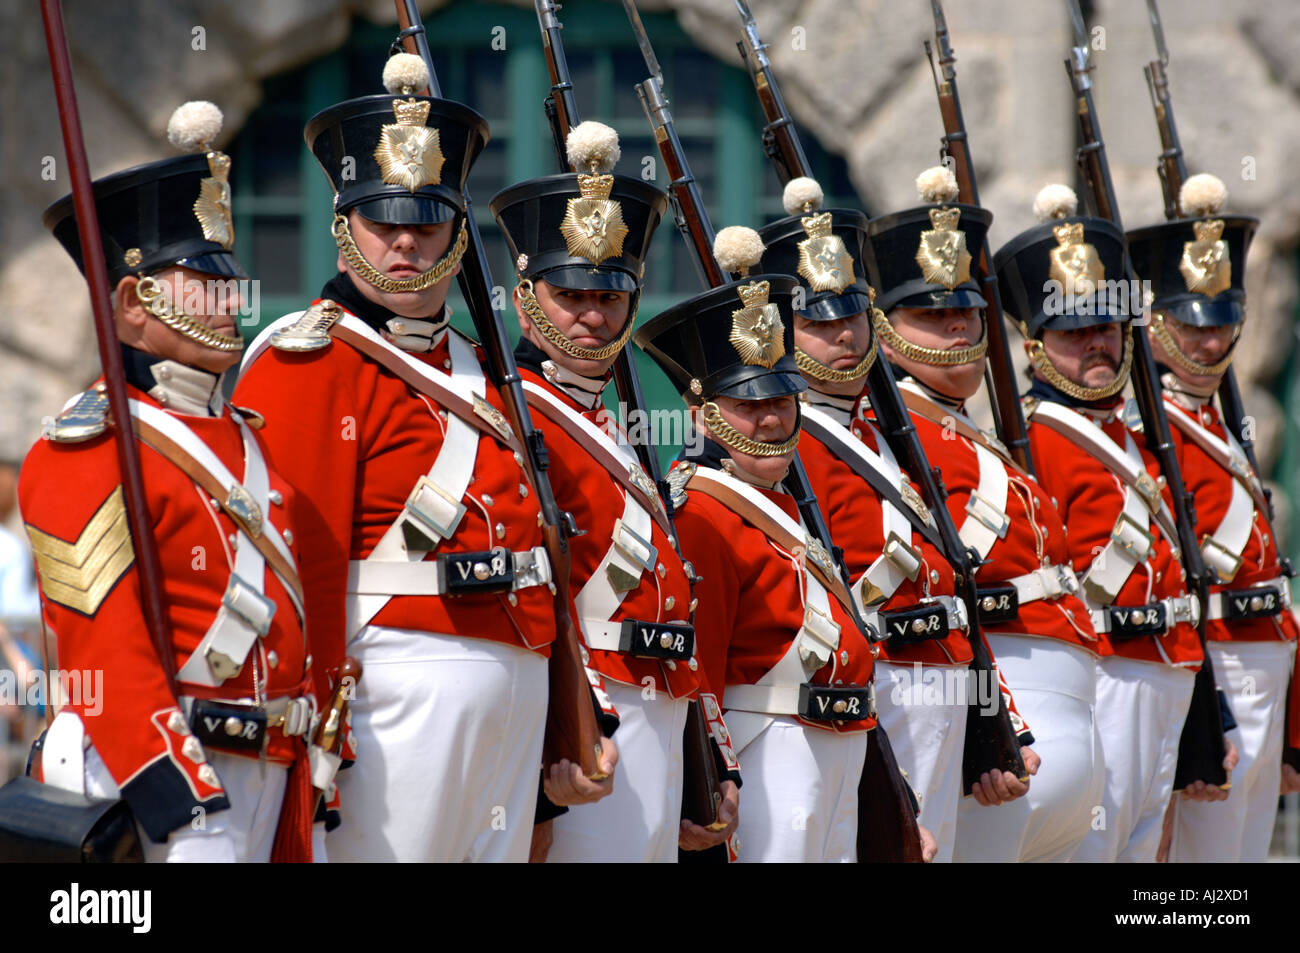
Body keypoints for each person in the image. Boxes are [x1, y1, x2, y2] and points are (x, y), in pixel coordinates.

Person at [235, 54, 614, 862]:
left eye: (428, 219)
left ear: (456, 227)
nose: (405, 239)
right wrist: (313, 741)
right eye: (383, 219)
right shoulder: (309, 360)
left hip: (511, 698)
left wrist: (560, 721)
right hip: (391, 695)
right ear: (344, 224)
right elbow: (296, 570)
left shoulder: (483, 372)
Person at [22, 102, 325, 861]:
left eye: (229, 278)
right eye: (200, 282)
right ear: (131, 302)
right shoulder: (88, 447)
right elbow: (101, 644)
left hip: (265, 773)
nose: (231, 301)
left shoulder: (245, 439)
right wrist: (174, 786)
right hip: (155, 777)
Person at [757, 176, 1036, 861]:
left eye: (852, 316)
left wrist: (995, 716)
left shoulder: (887, 433)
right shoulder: (778, 443)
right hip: (864, 690)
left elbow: (952, 585)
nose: (845, 336)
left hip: (937, 685)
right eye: (819, 323)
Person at [490, 121, 740, 862]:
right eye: (569, 293)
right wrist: (551, 735)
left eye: (610, 294)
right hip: (581, 708)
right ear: (526, 296)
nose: (592, 314)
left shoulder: (615, 428)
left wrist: (709, 749)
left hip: (659, 710)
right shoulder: (511, 413)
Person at [636, 230, 911, 862]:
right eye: (747, 403)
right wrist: (712, 776)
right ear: (703, 414)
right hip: (766, 744)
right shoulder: (701, 512)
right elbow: (700, 667)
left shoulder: (788, 503)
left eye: (784, 399)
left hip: (841, 743)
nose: (771, 418)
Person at [864, 166, 1104, 862]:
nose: (958, 326)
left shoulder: (973, 430)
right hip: (997, 691)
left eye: (965, 312)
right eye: (933, 315)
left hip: (1067, 700)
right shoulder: (888, 433)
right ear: (887, 324)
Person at [996, 184, 1203, 861]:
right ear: (1034, 343)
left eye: (1106, 327)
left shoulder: (1139, 440)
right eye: (1073, 330)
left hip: (1165, 669)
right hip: (1103, 670)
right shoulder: (1031, 440)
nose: (1095, 344)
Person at [1129, 173, 1299, 862]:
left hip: (1261, 651)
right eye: (1192, 327)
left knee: (1240, 857)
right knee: (1197, 860)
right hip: (1211, 655)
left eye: (1224, 324)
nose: (1210, 343)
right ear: (1158, 323)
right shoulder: (1147, 429)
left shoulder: (1221, 426)